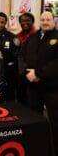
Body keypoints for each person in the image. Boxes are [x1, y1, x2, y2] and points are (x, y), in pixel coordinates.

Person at [18, 11, 58, 155]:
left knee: (54, 121)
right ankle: (37, 148)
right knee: (34, 118)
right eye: (43, 19)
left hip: (52, 88)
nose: (45, 22)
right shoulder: (33, 37)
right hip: (33, 87)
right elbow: (21, 56)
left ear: (53, 21)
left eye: (48, 19)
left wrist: (38, 73)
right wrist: (26, 73)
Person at [0, 12, 20, 102]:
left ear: (6, 23)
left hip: (8, 76)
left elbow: (17, 57)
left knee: (9, 102)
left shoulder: (13, 37)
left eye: (2, 22)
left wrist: (6, 69)